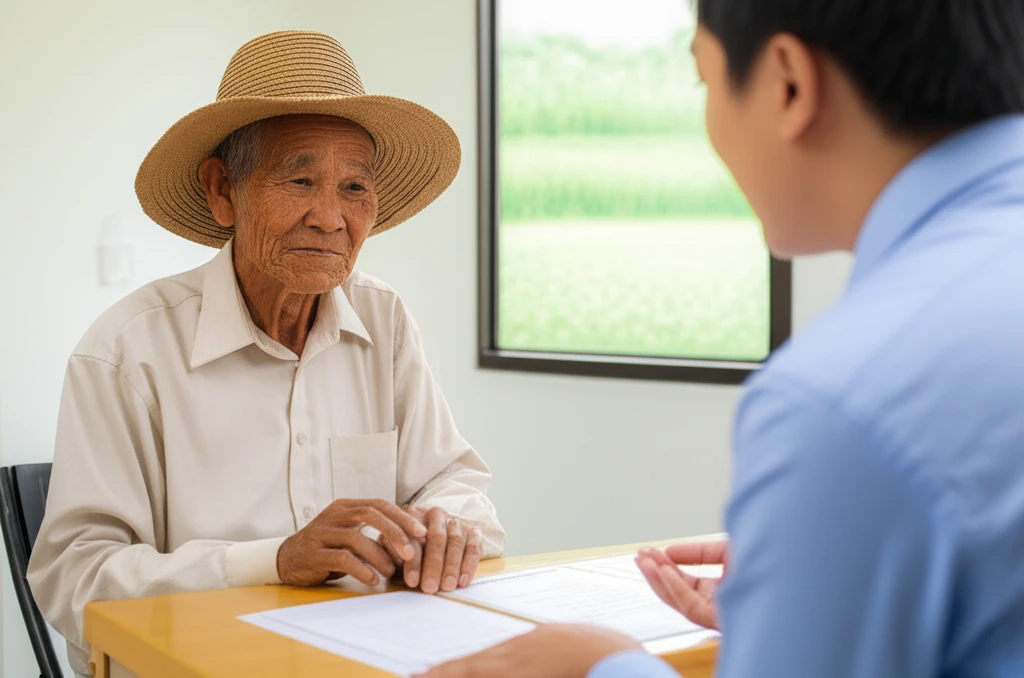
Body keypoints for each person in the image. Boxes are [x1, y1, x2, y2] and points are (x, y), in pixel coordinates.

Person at [419, 1, 1024, 676]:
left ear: (789, 84)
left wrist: (598, 664)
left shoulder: (842, 402)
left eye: (704, 81)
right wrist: (816, 588)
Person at [27, 30, 504, 678]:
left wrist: (446, 525)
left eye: (355, 189)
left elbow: (454, 482)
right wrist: (273, 560)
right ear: (222, 189)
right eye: (301, 179)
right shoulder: (125, 351)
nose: (331, 218)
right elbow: (74, 579)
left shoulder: (384, 319)